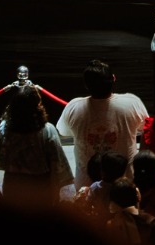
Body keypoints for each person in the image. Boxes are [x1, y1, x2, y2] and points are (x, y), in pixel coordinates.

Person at [57, 59, 149, 192]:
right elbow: (143, 128)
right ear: (113, 78)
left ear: (86, 85)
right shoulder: (132, 103)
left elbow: (63, 131)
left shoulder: (73, 107)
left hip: (85, 186)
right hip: (124, 185)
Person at [0, 82, 72, 207]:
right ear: (37, 106)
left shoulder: (4, 128)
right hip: (39, 185)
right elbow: (56, 162)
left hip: (13, 183)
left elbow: (1, 157)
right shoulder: (47, 130)